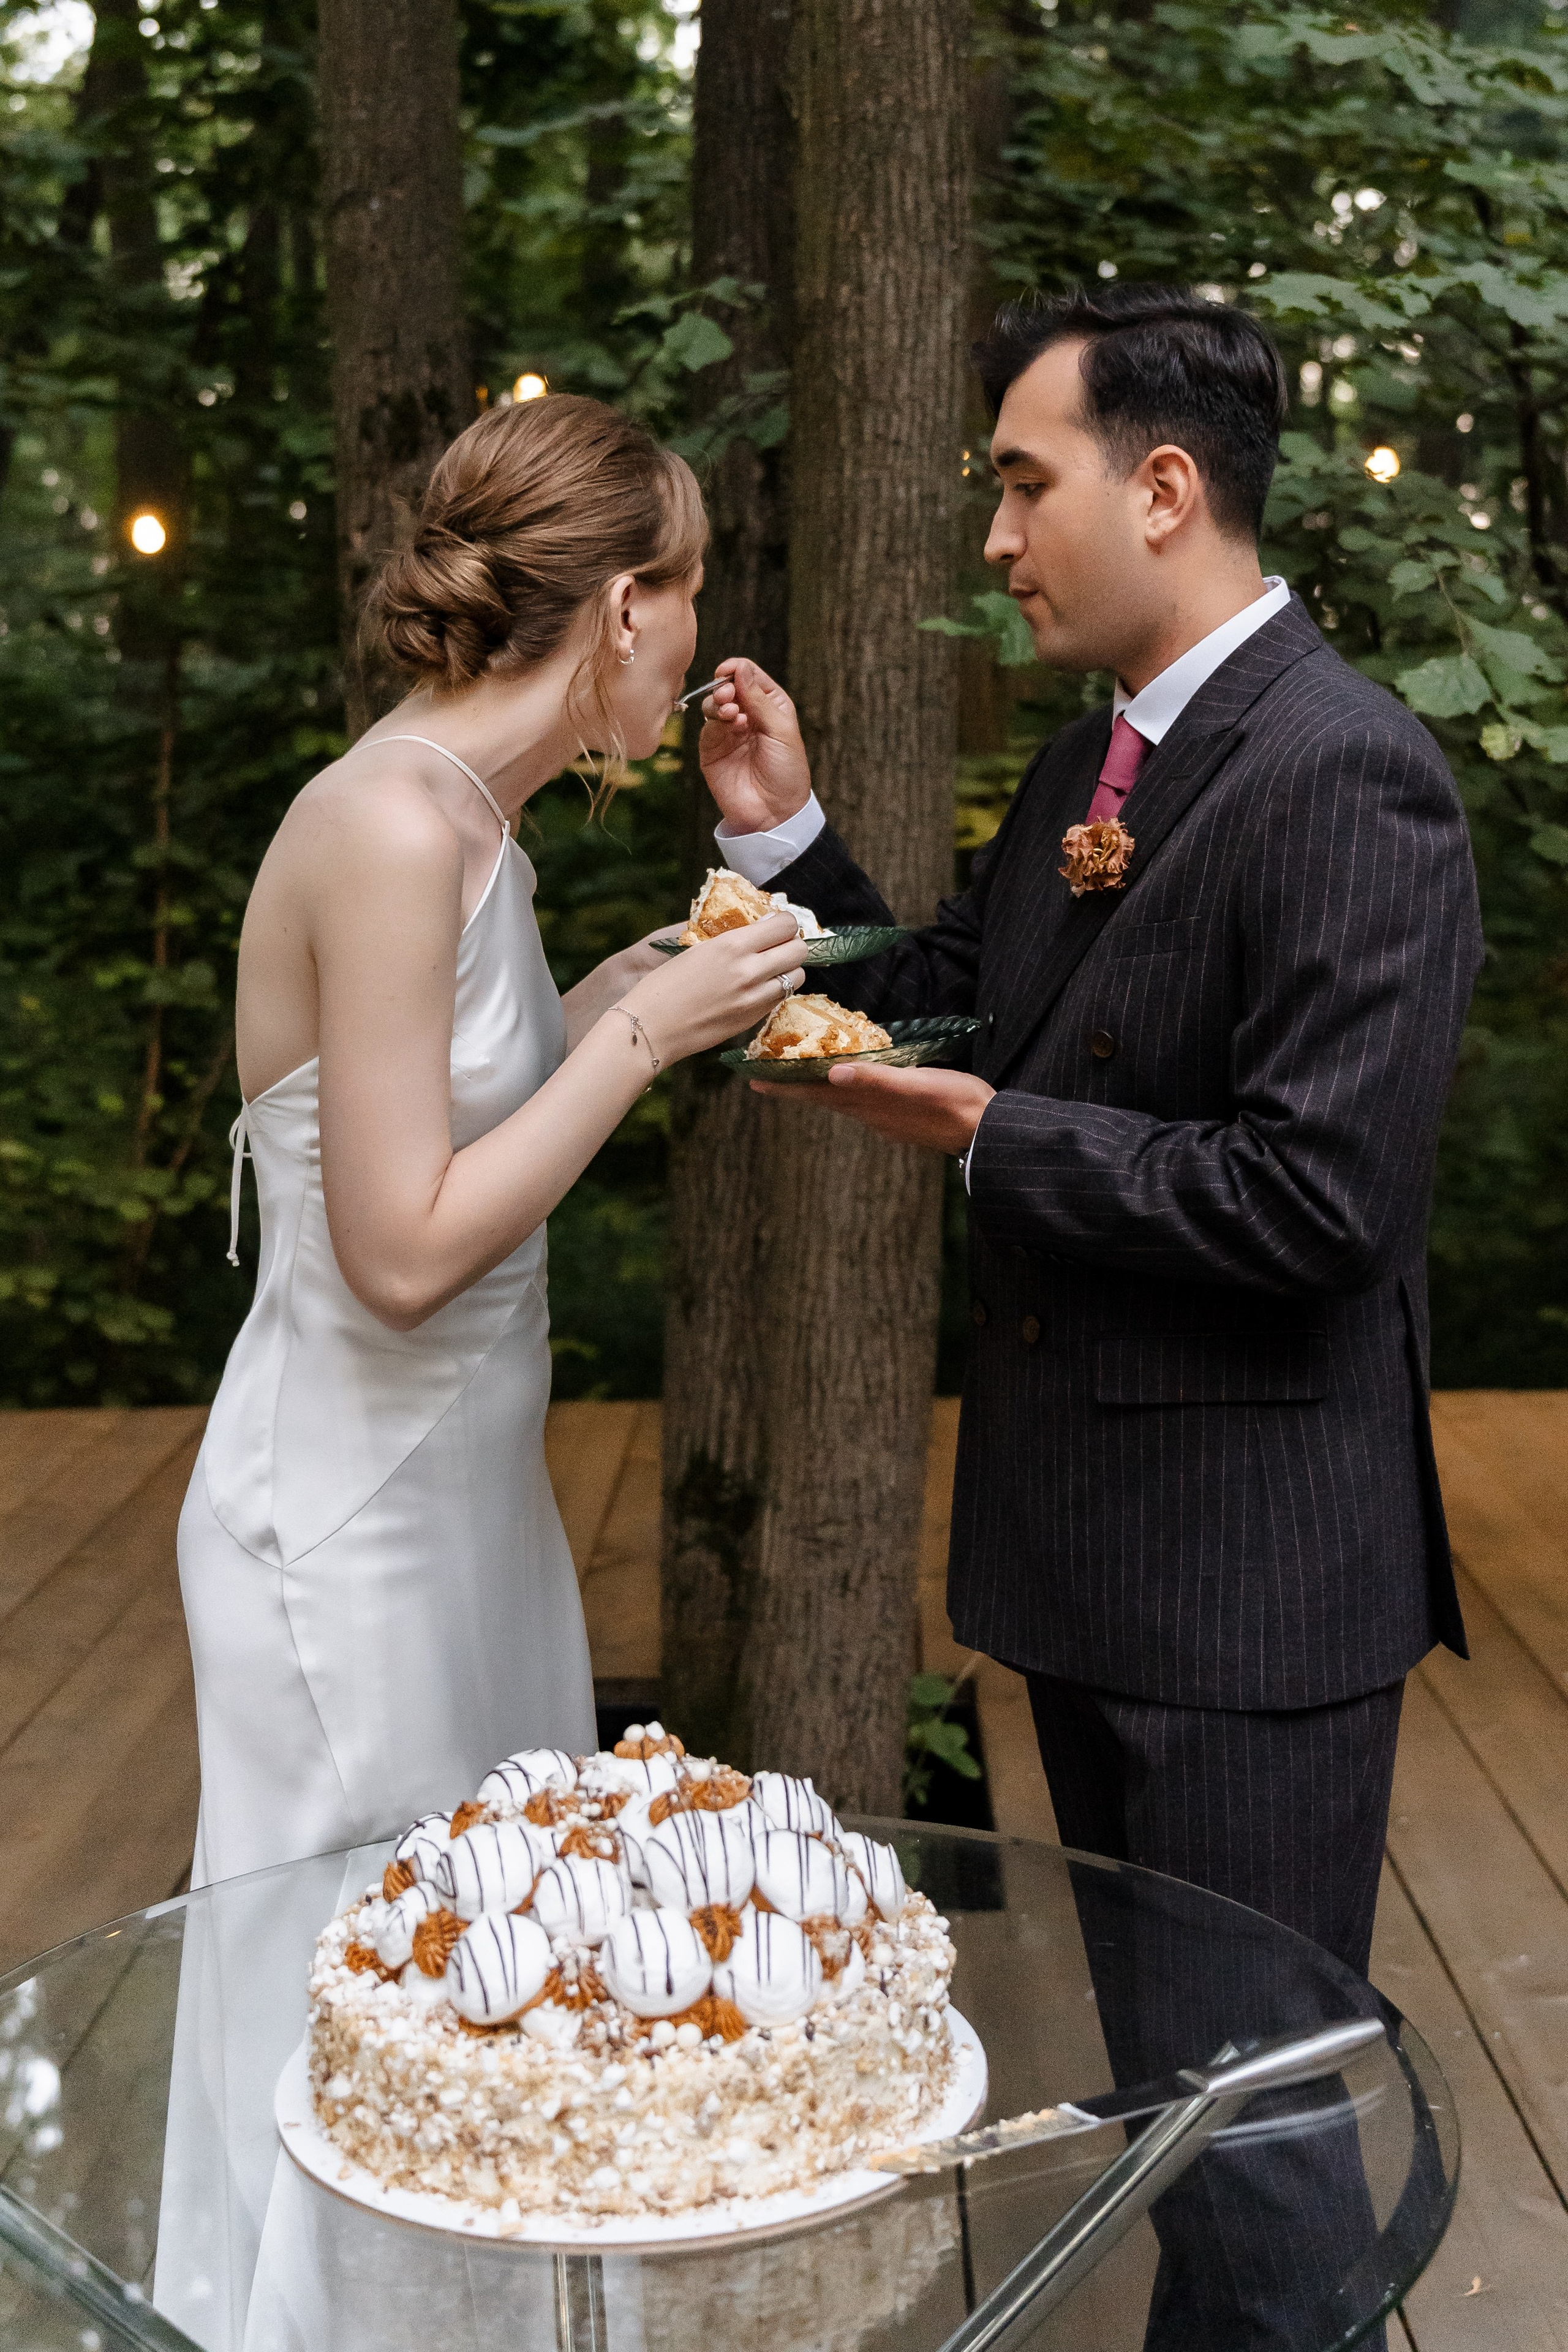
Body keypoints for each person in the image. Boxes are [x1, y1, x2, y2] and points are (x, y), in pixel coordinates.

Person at [698, 282, 1480, 1989]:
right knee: (1162, 2100)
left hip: (1250, 1595)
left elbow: (1324, 1203)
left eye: (1025, 484)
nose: (998, 537)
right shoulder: (1085, 771)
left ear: (1165, 492)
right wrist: (783, 843)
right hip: (1085, 1565)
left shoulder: (1348, 772)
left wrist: (1001, 1140)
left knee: (1250, 2133)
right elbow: (943, 1006)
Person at [176, 393, 805, 1888]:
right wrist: (641, 1043)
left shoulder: (472, 827)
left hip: (472, 1504)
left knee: (491, 1989)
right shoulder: (390, 825)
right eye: (692, 588)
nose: (701, 629)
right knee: (370, 2009)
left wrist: (619, 993)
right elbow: (397, 1256)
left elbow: (445, 1100)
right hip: (352, 1531)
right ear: (623, 603)